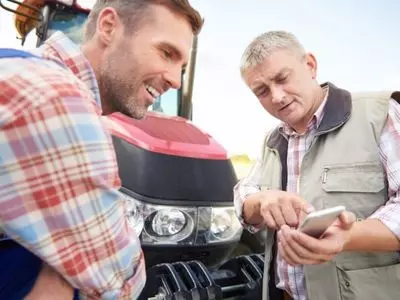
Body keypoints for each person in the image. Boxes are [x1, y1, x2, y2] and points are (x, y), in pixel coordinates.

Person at [0, 0, 203, 299]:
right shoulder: (59, 98)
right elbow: (120, 281)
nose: (175, 79)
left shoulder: (25, 68)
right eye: (166, 53)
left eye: (181, 67)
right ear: (108, 27)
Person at [234, 30, 400, 300]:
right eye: (262, 91)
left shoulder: (379, 114)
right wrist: (262, 200)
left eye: (282, 78)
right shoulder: (272, 140)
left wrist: (349, 236)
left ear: (310, 65)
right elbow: (245, 192)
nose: (276, 97)